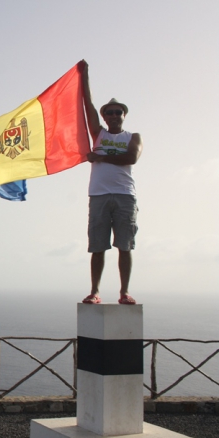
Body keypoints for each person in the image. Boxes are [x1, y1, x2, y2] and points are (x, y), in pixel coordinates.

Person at [79, 60, 143, 305]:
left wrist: (101, 156)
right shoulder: (99, 133)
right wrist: (84, 75)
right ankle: (95, 291)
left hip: (125, 195)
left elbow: (132, 157)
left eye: (119, 112)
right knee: (98, 246)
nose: (114, 115)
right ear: (104, 116)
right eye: (110, 112)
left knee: (124, 245)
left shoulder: (133, 137)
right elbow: (88, 104)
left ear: (124, 115)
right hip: (99, 194)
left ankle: (124, 292)